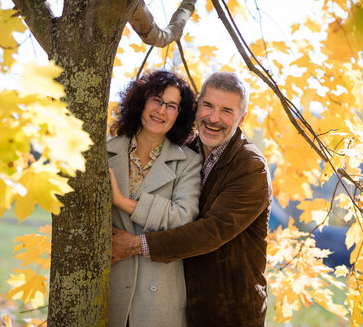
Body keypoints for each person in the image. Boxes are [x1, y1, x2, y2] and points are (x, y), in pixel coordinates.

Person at [113, 71, 272, 327]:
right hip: (184, 303)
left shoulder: (251, 167)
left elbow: (209, 232)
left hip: (229, 312)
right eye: (208, 105)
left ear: (242, 118)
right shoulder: (187, 150)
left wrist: (132, 245)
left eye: (226, 111)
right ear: (197, 107)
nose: (213, 118)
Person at [107, 70, 202, 327]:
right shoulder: (104, 151)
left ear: (179, 114)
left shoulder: (189, 163)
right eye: (156, 100)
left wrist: (121, 201)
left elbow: (183, 218)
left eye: (171, 105)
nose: (161, 110)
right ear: (141, 101)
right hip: (110, 288)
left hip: (159, 298)